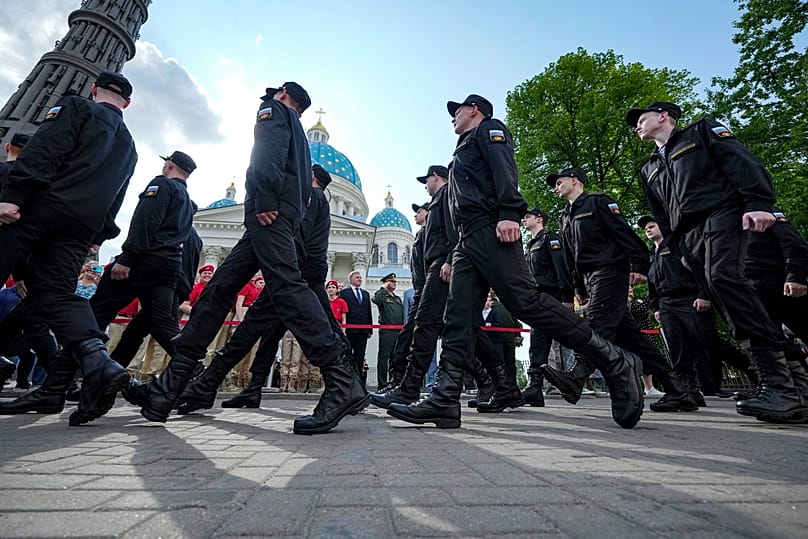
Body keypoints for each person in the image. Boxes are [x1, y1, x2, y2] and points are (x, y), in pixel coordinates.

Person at [388, 95, 643, 429]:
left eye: (458, 110)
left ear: (474, 110)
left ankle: (614, 359)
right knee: (458, 317)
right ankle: (445, 399)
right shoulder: (461, 151)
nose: (453, 117)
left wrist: (510, 213)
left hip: (491, 230)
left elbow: (505, 170)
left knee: (526, 303)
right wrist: (454, 250)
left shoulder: (489, 130)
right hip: (466, 241)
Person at [125, 84, 367, 435]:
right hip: (264, 218)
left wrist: (266, 199)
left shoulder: (275, 112)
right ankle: (169, 388)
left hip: (268, 213)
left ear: (283, 94)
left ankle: (341, 379)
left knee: (286, 289)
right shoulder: (300, 133)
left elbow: (264, 154)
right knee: (217, 291)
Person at [629, 100, 808, 422]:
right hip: (688, 235)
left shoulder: (701, 132)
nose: (637, 126)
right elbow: (661, 213)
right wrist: (677, 249)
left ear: (663, 116)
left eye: (641, 119)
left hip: (722, 214)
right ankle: (796, 386)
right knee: (727, 298)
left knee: (725, 279)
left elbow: (740, 162)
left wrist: (757, 201)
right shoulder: (649, 167)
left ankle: (779, 386)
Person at [0, 71, 137, 426]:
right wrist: (100, 235)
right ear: (128, 103)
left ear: (94, 90)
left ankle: (93, 367)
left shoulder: (77, 108)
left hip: (40, 208)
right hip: (82, 227)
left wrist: (14, 195)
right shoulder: (129, 143)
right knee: (59, 295)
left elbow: (45, 149)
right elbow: (117, 194)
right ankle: (99, 363)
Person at [175, 163, 351, 413]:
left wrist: (280, 267)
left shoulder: (310, 197)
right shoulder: (320, 202)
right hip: (301, 277)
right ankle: (253, 387)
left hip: (294, 278)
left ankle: (207, 384)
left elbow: (296, 238)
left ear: (309, 176)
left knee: (250, 328)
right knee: (269, 338)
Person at [542, 167, 696, 412]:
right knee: (633, 339)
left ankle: (577, 376)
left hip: (610, 270)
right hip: (590, 278)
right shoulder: (565, 216)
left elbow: (624, 234)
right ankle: (678, 390)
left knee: (597, 324)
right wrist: (578, 286)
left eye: (559, 182)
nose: (556, 187)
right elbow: (572, 256)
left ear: (574, 180)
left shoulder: (598, 202)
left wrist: (639, 264)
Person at [521, 207, 573, 406]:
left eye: (528, 216)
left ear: (539, 219)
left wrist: (566, 296)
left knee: (570, 340)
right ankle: (535, 386)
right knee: (538, 341)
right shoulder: (530, 244)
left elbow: (561, 267)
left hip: (553, 295)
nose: (524, 220)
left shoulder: (551, 239)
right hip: (538, 296)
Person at [340, 270, 372, 387]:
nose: (360, 279)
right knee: (348, 356)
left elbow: (368, 311)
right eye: (357, 277)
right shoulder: (344, 293)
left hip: (363, 331)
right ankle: (347, 381)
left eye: (360, 277)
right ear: (351, 279)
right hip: (349, 331)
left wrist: (370, 329)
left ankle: (358, 383)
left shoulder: (365, 294)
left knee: (360, 357)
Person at [372, 272, 403, 388]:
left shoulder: (397, 298)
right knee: (384, 358)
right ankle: (382, 385)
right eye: (391, 281)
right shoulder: (382, 295)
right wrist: (382, 287)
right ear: (386, 283)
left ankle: (393, 383)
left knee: (395, 359)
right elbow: (375, 299)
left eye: (395, 281)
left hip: (398, 331)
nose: (394, 283)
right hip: (387, 331)